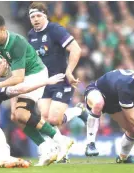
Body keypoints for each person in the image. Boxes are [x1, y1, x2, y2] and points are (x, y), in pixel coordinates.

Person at [0, 14, 73, 165]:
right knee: (15, 117)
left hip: (35, 74)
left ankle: (60, 140)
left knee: (22, 113)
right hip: (18, 77)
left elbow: (18, 78)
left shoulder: (17, 43)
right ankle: (46, 146)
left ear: (4, 30)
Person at [27, 3, 88, 161]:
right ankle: (63, 153)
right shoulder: (30, 35)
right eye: (32, 17)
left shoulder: (55, 29)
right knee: (45, 119)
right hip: (44, 82)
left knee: (54, 119)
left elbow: (76, 49)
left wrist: (69, 71)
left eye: (38, 16)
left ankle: (78, 111)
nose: (35, 19)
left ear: (46, 16)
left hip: (61, 80)